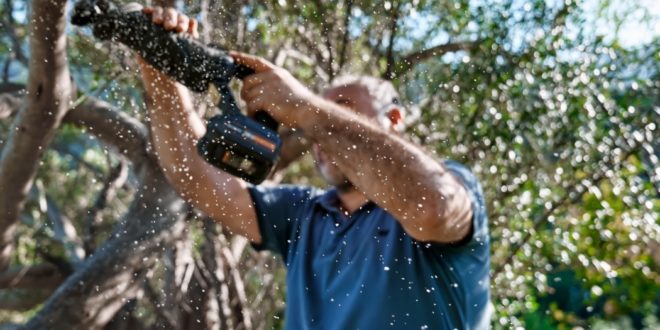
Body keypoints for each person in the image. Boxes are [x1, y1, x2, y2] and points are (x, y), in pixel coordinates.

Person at [138, 6, 490, 329]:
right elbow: (197, 176)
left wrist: (308, 109)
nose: (319, 134)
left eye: (343, 109)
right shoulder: (305, 214)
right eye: (318, 121)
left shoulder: (450, 184)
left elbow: (433, 208)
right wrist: (159, 64)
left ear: (393, 118)